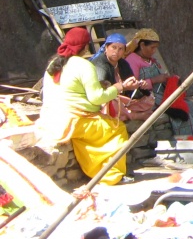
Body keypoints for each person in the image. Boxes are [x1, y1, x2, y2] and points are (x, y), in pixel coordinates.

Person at [37, 27, 139, 185]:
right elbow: (97, 98)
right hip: (72, 121)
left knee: (89, 134)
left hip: (50, 119)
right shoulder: (84, 66)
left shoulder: (53, 63)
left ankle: (95, 172)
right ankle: (112, 175)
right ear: (85, 47)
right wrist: (120, 87)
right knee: (117, 129)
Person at [126, 28, 193, 138]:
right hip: (147, 98)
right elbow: (132, 86)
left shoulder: (151, 60)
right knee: (179, 111)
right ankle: (192, 137)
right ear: (142, 45)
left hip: (160, 95)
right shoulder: (132, 60)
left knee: (189, 105)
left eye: (156, 48)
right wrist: (154, 80)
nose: (154, 51)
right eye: (152, 47)